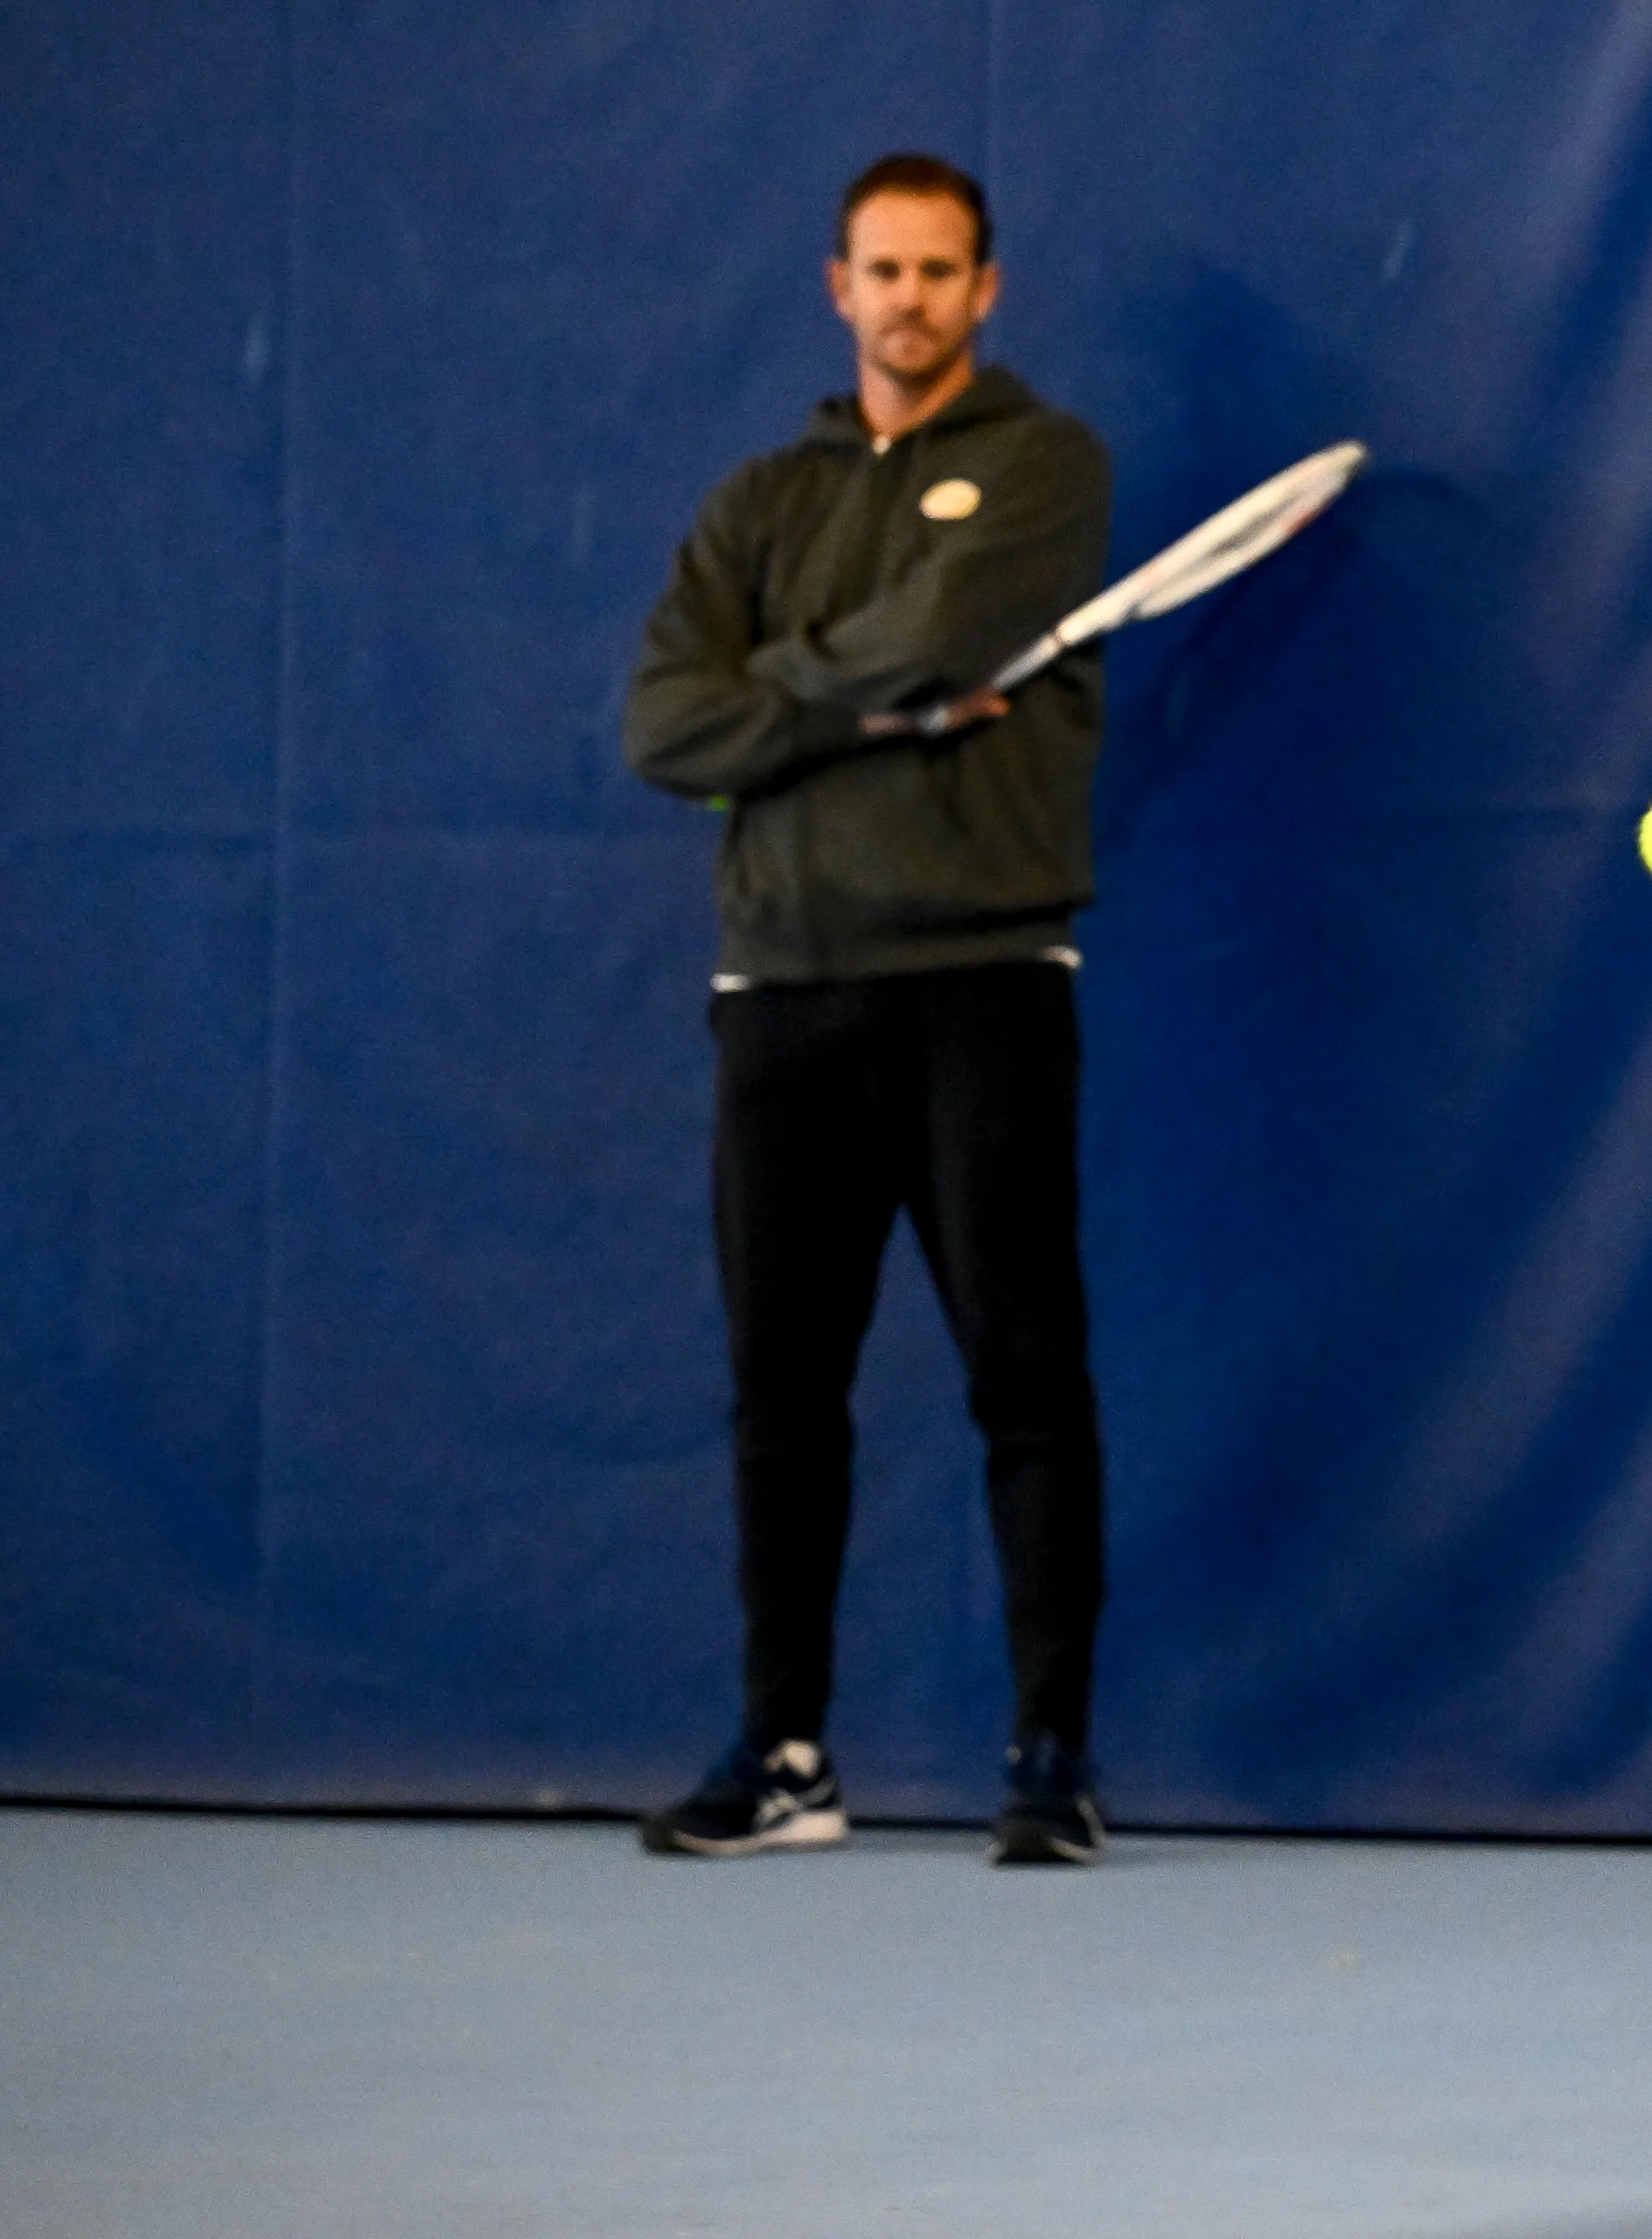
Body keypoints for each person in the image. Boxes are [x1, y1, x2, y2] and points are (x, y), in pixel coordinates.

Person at [623, 153, 1119, 1867]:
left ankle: (1050, 1755)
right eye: (882, 270)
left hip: (984, 977)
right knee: (782, 1388)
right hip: (780, 994)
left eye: (940, 271)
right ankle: (784, 1755)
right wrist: (874, 702)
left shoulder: (1048, 468)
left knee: (1027, 1378)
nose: (909, 298)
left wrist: (793, 688)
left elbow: (958, 628)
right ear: (839, 286)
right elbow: (664, 724)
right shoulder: (760, 499)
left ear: (986, 292)